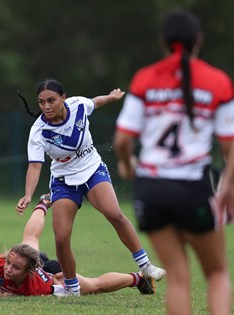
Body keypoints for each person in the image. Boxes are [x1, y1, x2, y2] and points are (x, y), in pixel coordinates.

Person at [114, 9, 232, 315]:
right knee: (217, 274)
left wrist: (127, 166)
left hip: (151, 190)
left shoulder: (145, 78)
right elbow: (230, 148)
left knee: (178, 276)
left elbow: (122, 141)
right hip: (193, 187)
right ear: (199, 41)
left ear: (163, 42)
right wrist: (228, 189)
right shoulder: (217, 81)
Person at [15, 79, 166, 296]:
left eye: (51, 100)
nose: (46, 106)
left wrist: (112, 97)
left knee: (114, 214)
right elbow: (35, 166)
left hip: (93, 170)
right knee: (61, 237)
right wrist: (28, 194)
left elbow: (95, 102)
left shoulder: (77, 105)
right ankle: (72, 288)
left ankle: (145, 266)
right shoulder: (39, 131)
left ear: (63, 98)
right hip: (64, 181)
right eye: (41, 102)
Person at [0, 195, 157, 296]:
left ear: (29, 271)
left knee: (94, 286)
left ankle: (140, 279)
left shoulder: (39, 287)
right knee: (29, 238)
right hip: (35, 264)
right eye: (9, 263)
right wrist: (2, 292)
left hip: (55, 275)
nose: (8, 269)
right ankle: (44, 202)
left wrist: (13, 295)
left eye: (15, 267)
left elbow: (59, 286)